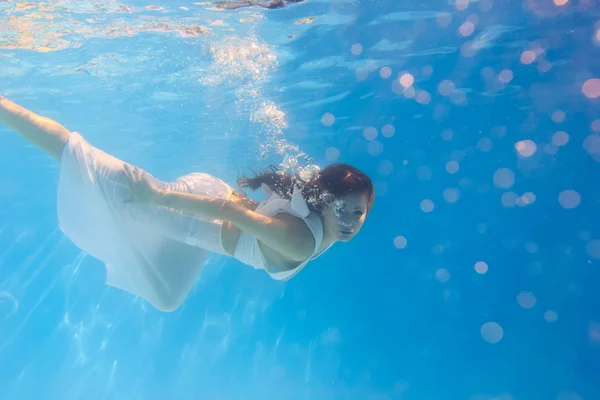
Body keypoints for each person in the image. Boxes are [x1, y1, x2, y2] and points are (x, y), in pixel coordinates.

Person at [0, 95, 374, 312]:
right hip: (199, 209)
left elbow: (252, 214)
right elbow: (232, 213)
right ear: (325, 202)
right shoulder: (304, 240)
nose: (351, 221)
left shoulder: (321, 222)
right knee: (86, 162)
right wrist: (157, 195)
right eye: (344, 209)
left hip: (209, 212)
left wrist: (254, 207)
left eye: (359, 213)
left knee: (166, 296)